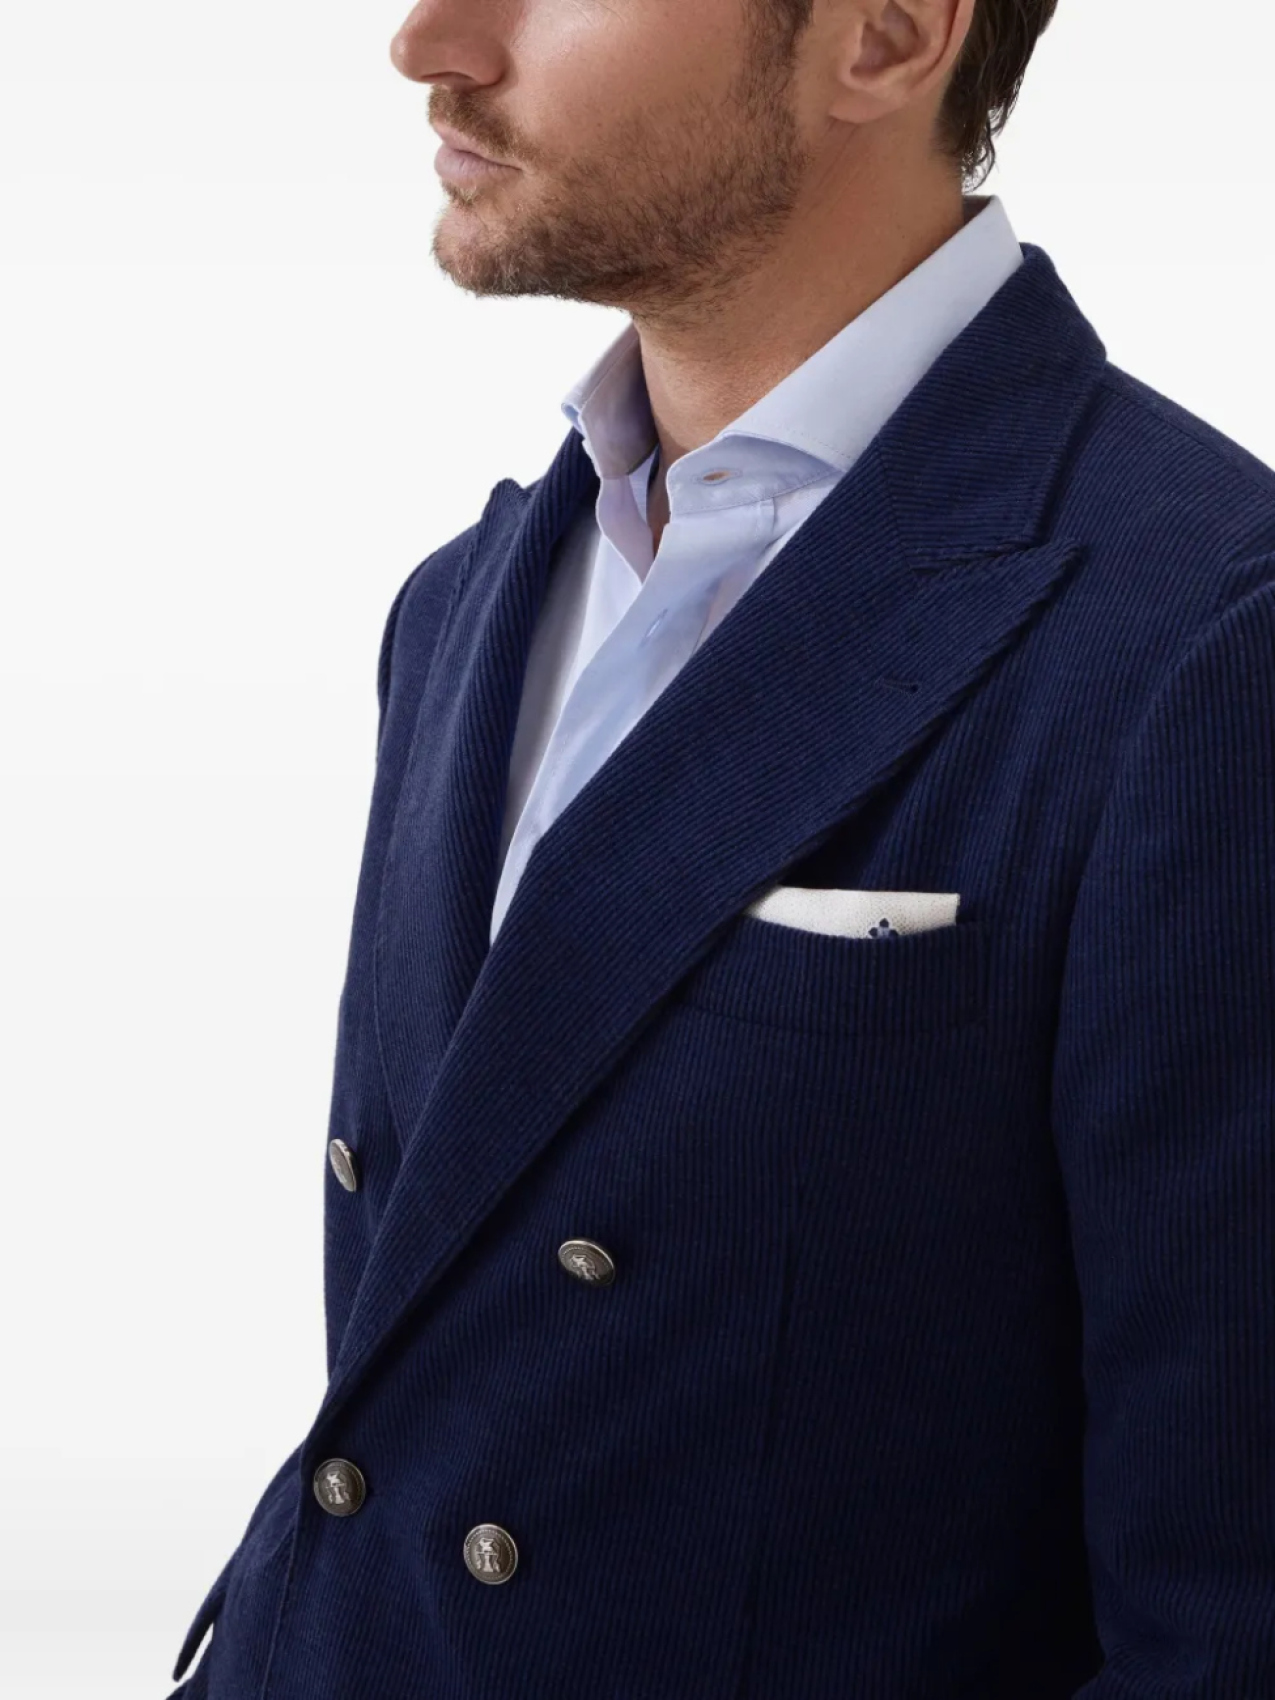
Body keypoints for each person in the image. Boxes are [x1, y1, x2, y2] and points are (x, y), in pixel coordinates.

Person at [167, 0, 1275, 1695]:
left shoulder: (1205, 641)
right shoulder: (460, 606)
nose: (431, 41)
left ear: (886, 36)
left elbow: (1229, 1630)